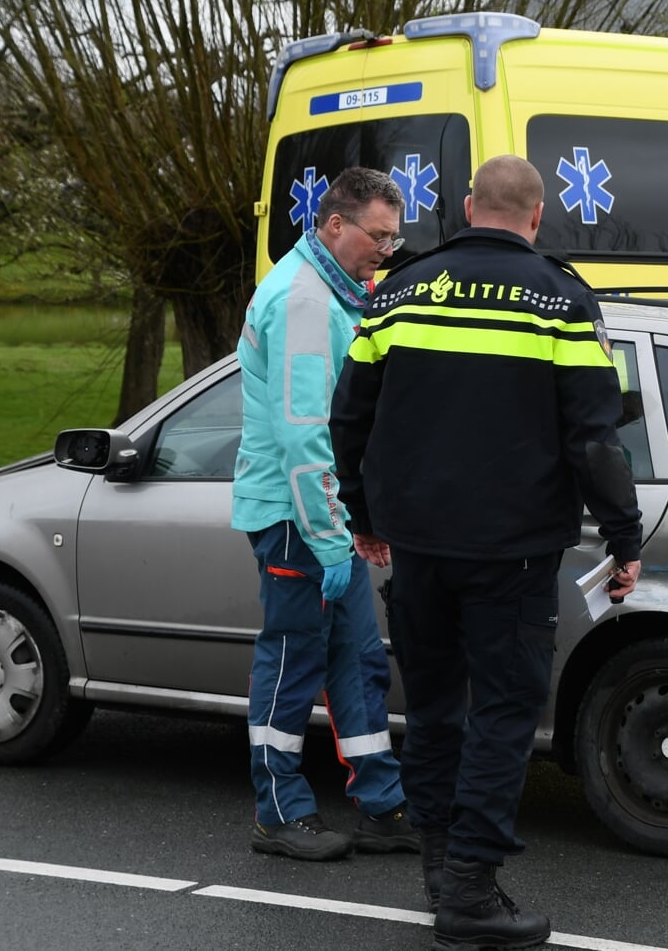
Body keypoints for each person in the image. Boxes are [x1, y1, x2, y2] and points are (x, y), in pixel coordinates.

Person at [330, 155, 642, 948]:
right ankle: (469, 889)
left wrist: (364, 512)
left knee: (434, 715)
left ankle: (442, 871)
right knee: (503, 717)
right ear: (537, 217)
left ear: (469, 206)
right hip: (515, 555)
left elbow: (348, 419)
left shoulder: (397, 290)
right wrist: (623, 533)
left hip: (417, 549)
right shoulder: (560, 300)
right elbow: (595, 438)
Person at [232, 166, 419, 862]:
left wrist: (346, 528)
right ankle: (278, 814)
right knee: (292, 660)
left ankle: (381, 804)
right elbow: (303, 432)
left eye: (394, 239)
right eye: (378, 236)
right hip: (293, 514)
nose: (386, 251)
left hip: (316, 514)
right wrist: (327, 535)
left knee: (358, 660)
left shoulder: (332, 291)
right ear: (334, 224)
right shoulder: (306, 300)